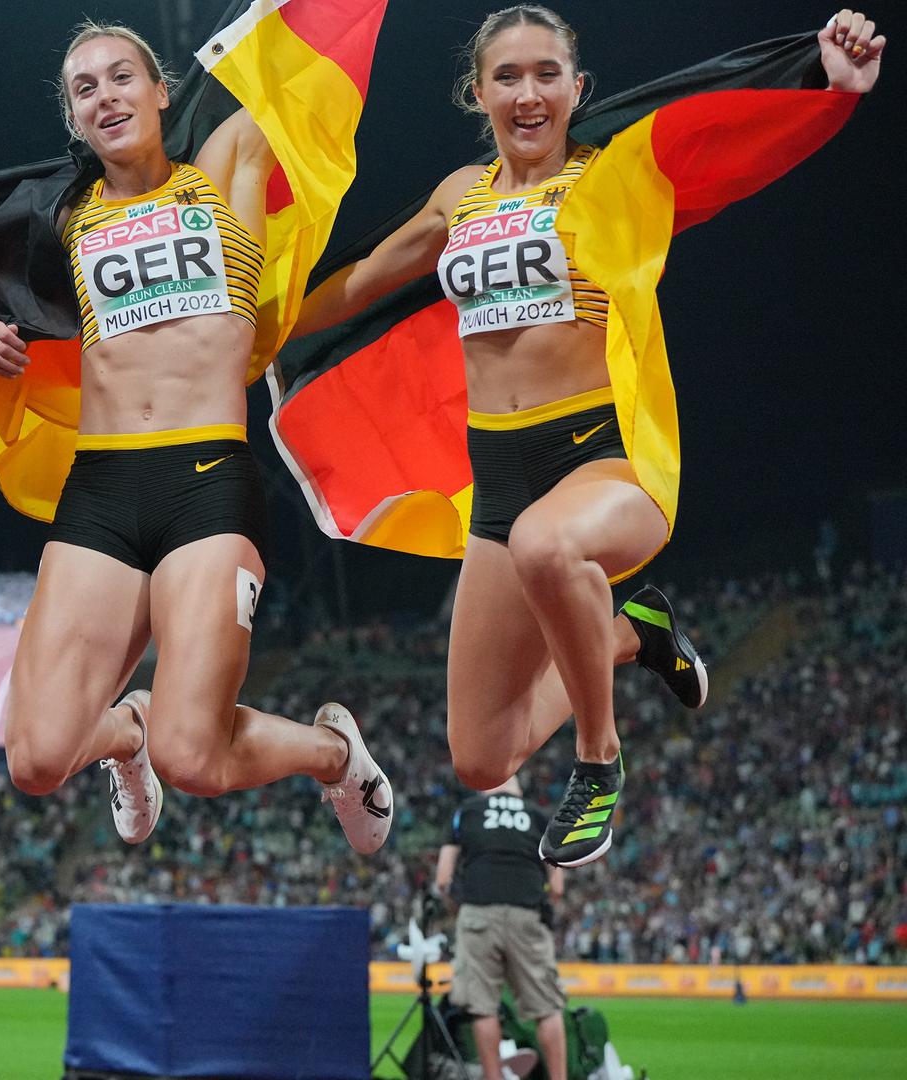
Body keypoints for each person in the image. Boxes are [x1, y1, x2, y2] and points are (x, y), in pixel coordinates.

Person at [290, 5, 884, 866]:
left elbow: (734, 141)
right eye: (507, 76)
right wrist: (249, 332)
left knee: (546, 543)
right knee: (480, 756)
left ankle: (598, 763)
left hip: (606, 460)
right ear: (477, 92)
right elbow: (358, 285)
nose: (527, 93)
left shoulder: (617, 173)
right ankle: (630, 632)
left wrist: (827, 85)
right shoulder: (460, 195)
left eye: (545, 74)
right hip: (497, 476)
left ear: (577, 88)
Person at [0, 23, 392, 851]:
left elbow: (310, 56)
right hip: (101, 490)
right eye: (84, 89)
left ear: (164, 92)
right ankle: (125, 734)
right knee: (37, 758)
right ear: (74, 120)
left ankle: (335, 754)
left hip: (206, 485)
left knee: (193, 755)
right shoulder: (62, 217)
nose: (106, 95)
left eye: (122, 77)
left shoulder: (229, 165)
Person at [435, 777, 567, 1080]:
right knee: (547, 1007)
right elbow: (557, 886)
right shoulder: (538, 816)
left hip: (478, 912)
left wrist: (461, 911)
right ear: (518, 790)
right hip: (526, 911)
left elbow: (443, 880)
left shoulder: (465, 812)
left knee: (483, 1008)